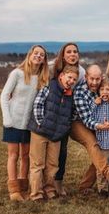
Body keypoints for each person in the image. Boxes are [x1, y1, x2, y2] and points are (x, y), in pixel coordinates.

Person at [0, 44, 49, 201]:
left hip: (30, 123)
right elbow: (4, 96)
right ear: (30, 55)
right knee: (13, 155)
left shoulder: (42, 77)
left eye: (41, 55)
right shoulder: (17, 74)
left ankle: (24, 188)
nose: (38, 56)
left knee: (26, 155)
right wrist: (6, 118)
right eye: (36, 53)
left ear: (44, 60)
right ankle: (14, 190)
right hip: (13, 120)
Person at [27, 64, 79, 201]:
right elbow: (38, 104)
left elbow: (72, 113)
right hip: (40, 132)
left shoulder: (70, 95)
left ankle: (49, 189)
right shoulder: (50, 86)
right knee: (37, 164)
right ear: (62, 76)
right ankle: (36, 193)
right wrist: (40, 123)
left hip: (56, 135)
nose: (71, 81)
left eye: (74, 80)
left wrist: (64, 127)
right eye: (70, 77)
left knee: (52, 165)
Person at [71, 63, 109, 194]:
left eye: (97, 79)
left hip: (98, 122)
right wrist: (101, 126)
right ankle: (107, 171)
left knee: (101, 153)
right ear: (86, 77)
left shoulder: (103, 87)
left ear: (101, 77)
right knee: (93, 144)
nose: (94, 82)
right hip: (77, 122)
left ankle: (85, 186)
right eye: (91, 79)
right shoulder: (79, 93)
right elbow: (87, 120)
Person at [52, 42, 86, 196]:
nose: (72, 54)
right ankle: (44, 182)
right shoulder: (52, 66)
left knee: (62, 150)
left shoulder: (82, 72)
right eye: (69, 51)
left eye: (75, 51)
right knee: (47, 150)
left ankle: (58, 182)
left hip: (66, 115)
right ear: (63, 54)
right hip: (50, 112)